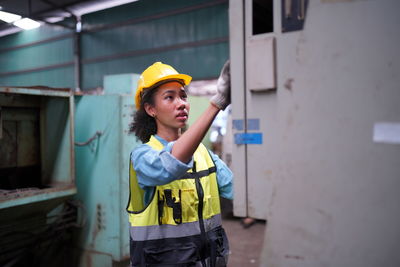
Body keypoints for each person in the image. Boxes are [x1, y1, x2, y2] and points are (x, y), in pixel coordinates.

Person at [126, 61, 233, 267]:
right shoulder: (142, 157)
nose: (181, 103)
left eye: (183, 96)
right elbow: (172, 164)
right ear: (151, 109)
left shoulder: (205, 154)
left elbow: (243, 190)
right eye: (169, 97)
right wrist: (217, 103)